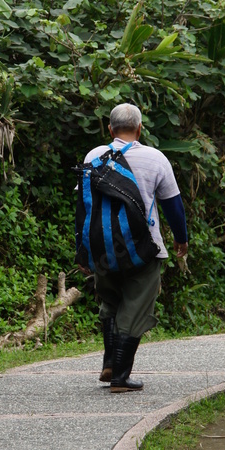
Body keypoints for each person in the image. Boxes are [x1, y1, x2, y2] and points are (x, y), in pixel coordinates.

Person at [76, 103, 188, 393]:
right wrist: (181, 238)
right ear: (139, 129)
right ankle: (120, 378)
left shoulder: (93, 156)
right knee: (136, 306)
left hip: (102, 248)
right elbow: (173, 205)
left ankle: (110, 364)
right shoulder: (155, 158)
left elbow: (83, 208)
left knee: (111, 302)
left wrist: (83, 249)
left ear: (110, 129)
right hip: (143, 248)